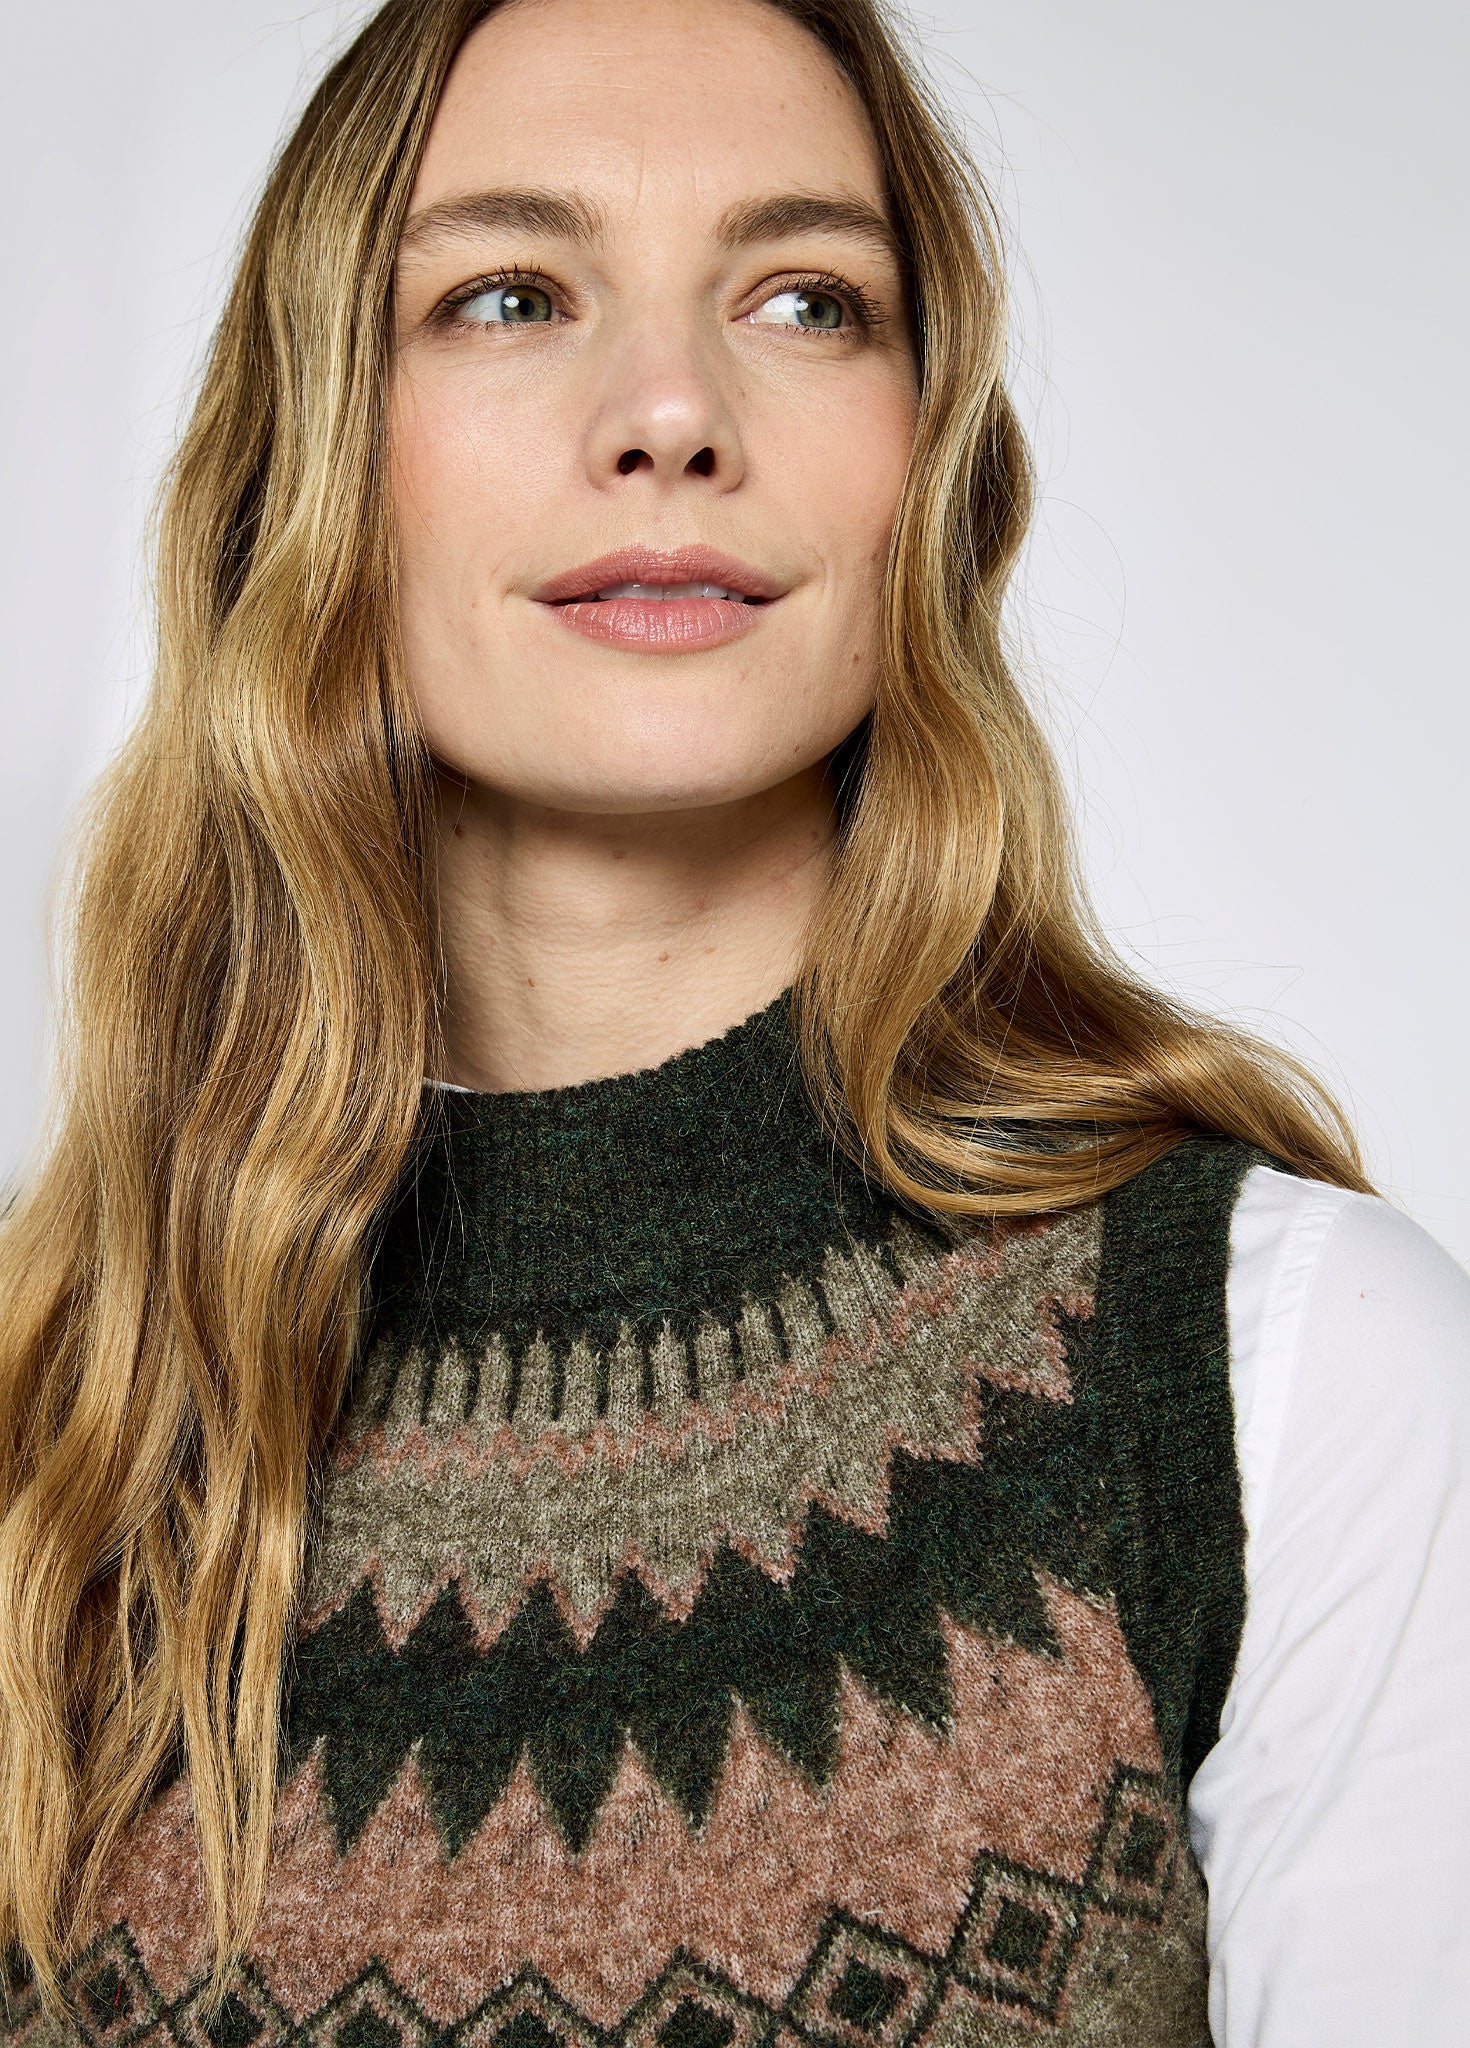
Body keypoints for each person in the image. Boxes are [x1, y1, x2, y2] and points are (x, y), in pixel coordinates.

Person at [0, 0, 1465, 2043]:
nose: (672, 412)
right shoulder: (54, 1429)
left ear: (923, 458)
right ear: (314, 449)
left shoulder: (1269, 1374)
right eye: (509, 295)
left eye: (804, 300)